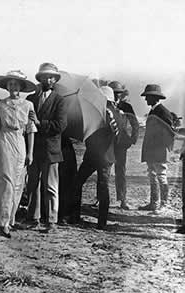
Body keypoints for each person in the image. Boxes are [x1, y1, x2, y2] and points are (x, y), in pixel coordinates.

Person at [0, 71, 37, 238]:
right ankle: (3, 222)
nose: (13, 87)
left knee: (18, 183)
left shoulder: (28, 106)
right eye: (10, 84)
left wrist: (30, 152)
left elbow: (31, 130)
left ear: (21, 87)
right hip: (4, 142)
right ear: (7, 87)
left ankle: (10, 218)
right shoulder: (1, 105)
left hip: (20, 143)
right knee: (6, 182)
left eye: (16, 84)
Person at [69, 86, 124, 230]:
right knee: (100, 187)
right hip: (101, 156)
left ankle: (79, 218)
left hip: (98, 156)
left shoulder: (109, 113)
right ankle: (99, 222)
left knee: (82, 183)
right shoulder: (113, 112)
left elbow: (116, 134)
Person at [25, 63, 68, 232]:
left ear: (55, 80)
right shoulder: (31, 99)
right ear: (40, 79)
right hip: (34, 148)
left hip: (51, 150)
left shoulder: (60, 100)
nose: (48, 79)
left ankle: (51, 221)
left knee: (50, 186)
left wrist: (39, 123)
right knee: (32, 185)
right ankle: (33, 218)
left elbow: (61, 125)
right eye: (45, 76)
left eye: (51, 77)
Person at [138, 84, 175, 213]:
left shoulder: (163, 112)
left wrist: (160, 145)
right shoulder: (154, 111)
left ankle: (163, 205)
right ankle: (154, 203)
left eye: (147, 97)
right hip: (152, 150)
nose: (145, 99)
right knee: (152, 175)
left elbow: (170, 132)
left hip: (159, 150)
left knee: (161, 176)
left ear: (154, 97)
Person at [108, 80, 140, 210]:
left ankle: (123, 200)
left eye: (119, 93)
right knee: (104, 171)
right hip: (108, 144)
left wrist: (133, 139)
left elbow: (135, 124)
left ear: (122, 94)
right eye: (114, 93)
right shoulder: (105, 105)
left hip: (121, 144)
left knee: (120, 171)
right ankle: (100, 199)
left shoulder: (127, 107)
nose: (116, 96)